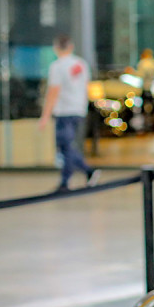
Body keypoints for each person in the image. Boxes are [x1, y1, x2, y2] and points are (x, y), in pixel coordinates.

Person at [38, 34, 98, 192]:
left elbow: (53, 92)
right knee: (68, 146)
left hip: (64, 111)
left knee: (65, 147)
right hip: (78, 110)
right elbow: (86, 87)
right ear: (71, 47)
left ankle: (71, 178)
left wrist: (45, 116)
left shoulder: (57, 66)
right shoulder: (81, 64)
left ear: (56, 48)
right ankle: (81, 174)